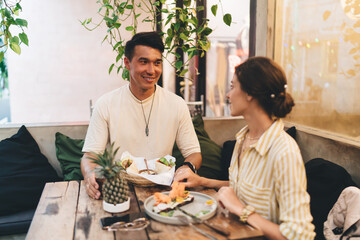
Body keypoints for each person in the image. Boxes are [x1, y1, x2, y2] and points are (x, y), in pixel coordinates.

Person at [174, 57, 315, 239]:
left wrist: (241, 209)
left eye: (233, 87)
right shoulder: (243, 138)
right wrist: (202, 181)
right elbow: (242, 187)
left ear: (249, 93)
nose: (228, 95)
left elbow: (300, 236)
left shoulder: (284, 152)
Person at [81, 31, 201, 200]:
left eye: (157, 63)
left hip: (163, 192)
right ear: (127, 63)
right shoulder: (106, 104)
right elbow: (90, 155)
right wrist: (89, 174)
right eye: (143, 62)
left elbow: (194, 153)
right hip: (121, 191)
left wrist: (187, 167)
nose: (151, 70)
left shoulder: (177, 104)